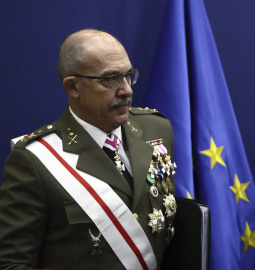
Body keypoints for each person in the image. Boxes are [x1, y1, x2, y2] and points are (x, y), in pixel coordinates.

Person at [0, 29, 176, 269]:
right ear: (73, 87)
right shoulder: (35, 160)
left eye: (128, 75)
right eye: (111, 79)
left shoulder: (156, 129)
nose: (127, 90)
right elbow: (11, 263)